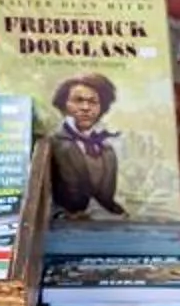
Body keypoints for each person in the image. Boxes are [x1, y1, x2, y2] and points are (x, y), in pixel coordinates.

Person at [45, 72, 128, 217]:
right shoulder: (51, 144)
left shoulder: (107, 151)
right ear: (63, 105)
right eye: (78, 100)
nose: (85, 107)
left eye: (93, 102)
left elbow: (106, 200)